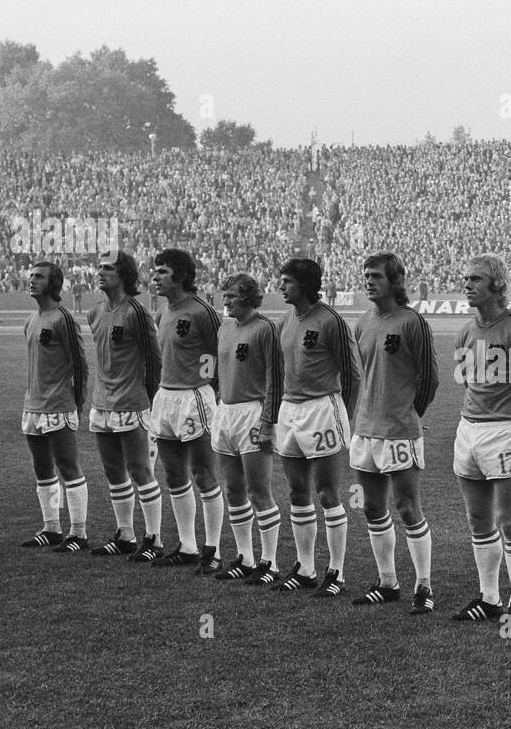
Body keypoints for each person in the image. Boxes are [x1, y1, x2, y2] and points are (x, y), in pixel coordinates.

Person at [450, 253, 511, 629]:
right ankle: (488, 597)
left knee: (509, 520)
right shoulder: (465, 331)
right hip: (468, 430)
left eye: (475, 278)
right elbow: (466, 378)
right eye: (466, 278)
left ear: (497, 285)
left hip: (505, 431)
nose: (467, 284)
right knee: (478, 520)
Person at [348, 253, 440, 612]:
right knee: (372, 507)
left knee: (406, 507)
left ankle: (424, 587)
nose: (369, 281)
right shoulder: (361, 323)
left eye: (376, 276)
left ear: (395, 281)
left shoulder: (412, 322)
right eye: (366, 275)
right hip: (365, 428)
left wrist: (409, 414)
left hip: (399, 430)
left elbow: (429, 379)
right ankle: (387, 582)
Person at [271, 258, 361, 597]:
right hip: (290, 409)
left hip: (324, 408)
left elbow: (352, 374)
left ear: (305, 285)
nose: (281, 286)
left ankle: (336, 572)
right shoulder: (284, 322)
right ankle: (305, 568)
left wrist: (345, 417)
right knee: (297, 492)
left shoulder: (331, 321)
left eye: (287, 281)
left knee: (327, 492)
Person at [148, 249, 226, 574]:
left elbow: (218, 357)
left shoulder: (202, 312)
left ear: (180, 276)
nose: (155, 278)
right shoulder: (163, 312)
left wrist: (208, 393)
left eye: (162, 272)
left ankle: (215, 550)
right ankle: (188, 545)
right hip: (166, 397)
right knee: (175, 475)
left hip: (195, 397)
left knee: (204, 474)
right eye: (155, 272)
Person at [86, 251, 165, 561]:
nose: (100, 273)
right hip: (101, 402)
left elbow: (153, 360)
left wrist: (148, 399)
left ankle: (154, 540)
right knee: (113, 471)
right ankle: (125, 535)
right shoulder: (94, 313)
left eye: (108, 269)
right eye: (99, 268)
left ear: (124, 275)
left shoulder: (137, 312)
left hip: (131, 402)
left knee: (140, 470)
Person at [209, 273, 285, 584]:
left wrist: (268, 422)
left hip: (253, 414)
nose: (225, 300)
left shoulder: (265, 328)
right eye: (224, 295)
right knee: (233, 489)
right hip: (226, 412)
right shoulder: (224, 328)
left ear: (249, 297)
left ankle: (271, 563)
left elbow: (275, 380)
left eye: (232, 295)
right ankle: (245, 557)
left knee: (258, 491)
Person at [19, 261, 90, 553]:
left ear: (54, 283)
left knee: (68, 467)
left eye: (39, 277)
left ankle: (79, 533)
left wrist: (77, 403)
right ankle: (52, 528)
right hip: (33, 405)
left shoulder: (64, 319)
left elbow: (81, 365)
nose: (32, 280)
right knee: (43, 469)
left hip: (59, 404)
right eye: (31, 275)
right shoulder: (31, 320)